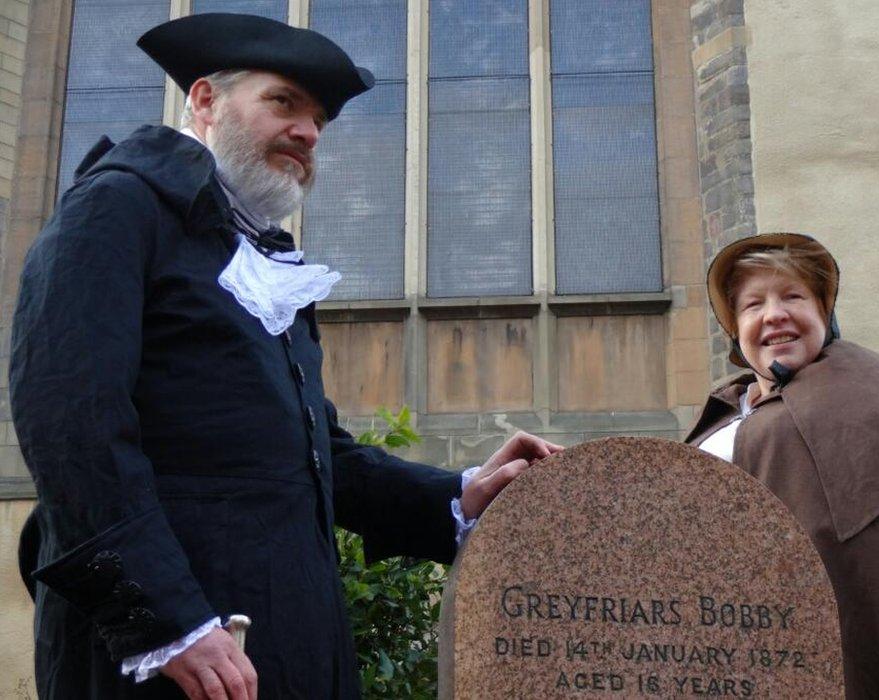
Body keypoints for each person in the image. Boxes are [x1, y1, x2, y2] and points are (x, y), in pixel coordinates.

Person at [11, 13, 560, 699]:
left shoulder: (270, 267)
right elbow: (69, 426)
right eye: (284, 102)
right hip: (169, 656)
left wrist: (457, 494)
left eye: (320, 121)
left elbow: (320, 458)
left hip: (290, 638)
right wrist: (167, 621)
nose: (308, 131)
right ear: (205, 101)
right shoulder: (117, 208)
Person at [686, 232, 879, 698]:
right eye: (753, 304)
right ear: (736, 331)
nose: (774, 314)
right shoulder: (723, 418)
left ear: (824, 315)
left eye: (793, 296)